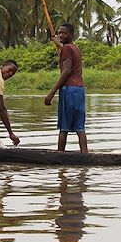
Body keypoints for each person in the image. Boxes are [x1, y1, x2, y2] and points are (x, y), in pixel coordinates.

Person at [45, 23, 87, 153]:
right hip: (79, 91)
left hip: (69, 90)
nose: (61, 35)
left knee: (64, 128)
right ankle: (85, 155)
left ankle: (60, 155)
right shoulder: (75, 48)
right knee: (80, 128)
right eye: (59, 33)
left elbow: (67, 71)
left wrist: (52, 93)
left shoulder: (67, 49)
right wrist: (59, 44)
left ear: (71, 34)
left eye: (64, 33)